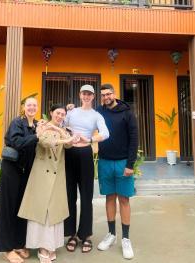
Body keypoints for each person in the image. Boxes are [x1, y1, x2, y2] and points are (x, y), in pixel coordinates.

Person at [18, 104, 78, 263]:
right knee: (41, 211)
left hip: (57, 175)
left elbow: (70, 144)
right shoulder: (42, 126)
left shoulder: (63, 130)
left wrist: (60, 132)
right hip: (41, 174)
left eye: (63, 114)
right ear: (51, 113)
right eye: (58, 113)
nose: (60, 116)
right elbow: (46, 143)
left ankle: (51, 246)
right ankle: (41, 247)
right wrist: (61, 133)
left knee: (54, 212)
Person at [64, 84, 109, 253]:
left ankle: (86, 235)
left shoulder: (96, 115)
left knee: (86, 197)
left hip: (85, 155)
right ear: (80, 94)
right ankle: (71, 234)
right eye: (84, 93)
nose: (86, 96)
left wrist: (90, 139)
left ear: (93, 96)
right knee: (69, 196)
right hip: (69, 154)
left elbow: (105, 133)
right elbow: (62, 125)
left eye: (90, 94)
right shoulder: (72, 112)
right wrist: (68, 136)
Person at [96, 84, 138, 260]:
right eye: (103, 95)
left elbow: (134, 138)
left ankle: (126, 239)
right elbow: (84, 114)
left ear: (114, 94)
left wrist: (130, 164)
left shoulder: (127, 112)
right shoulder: (99, 111)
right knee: (109, 198)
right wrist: (70, 109)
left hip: (122, 163)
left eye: (108, 94)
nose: (106, 97)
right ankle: (111, 234)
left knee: (124, 199)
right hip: (105, 161)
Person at [0, 97, 40, 263]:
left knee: (23, 208)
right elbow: (16, 142)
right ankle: (7, 248)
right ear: (24, 107)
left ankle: (19, 243)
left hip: (26, 171)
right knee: (8, 209)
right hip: (11, 170)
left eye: (34, 105)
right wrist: (37, 136)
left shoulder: (37, 124)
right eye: (29, 105)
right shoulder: (17, 122)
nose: (31, 107)